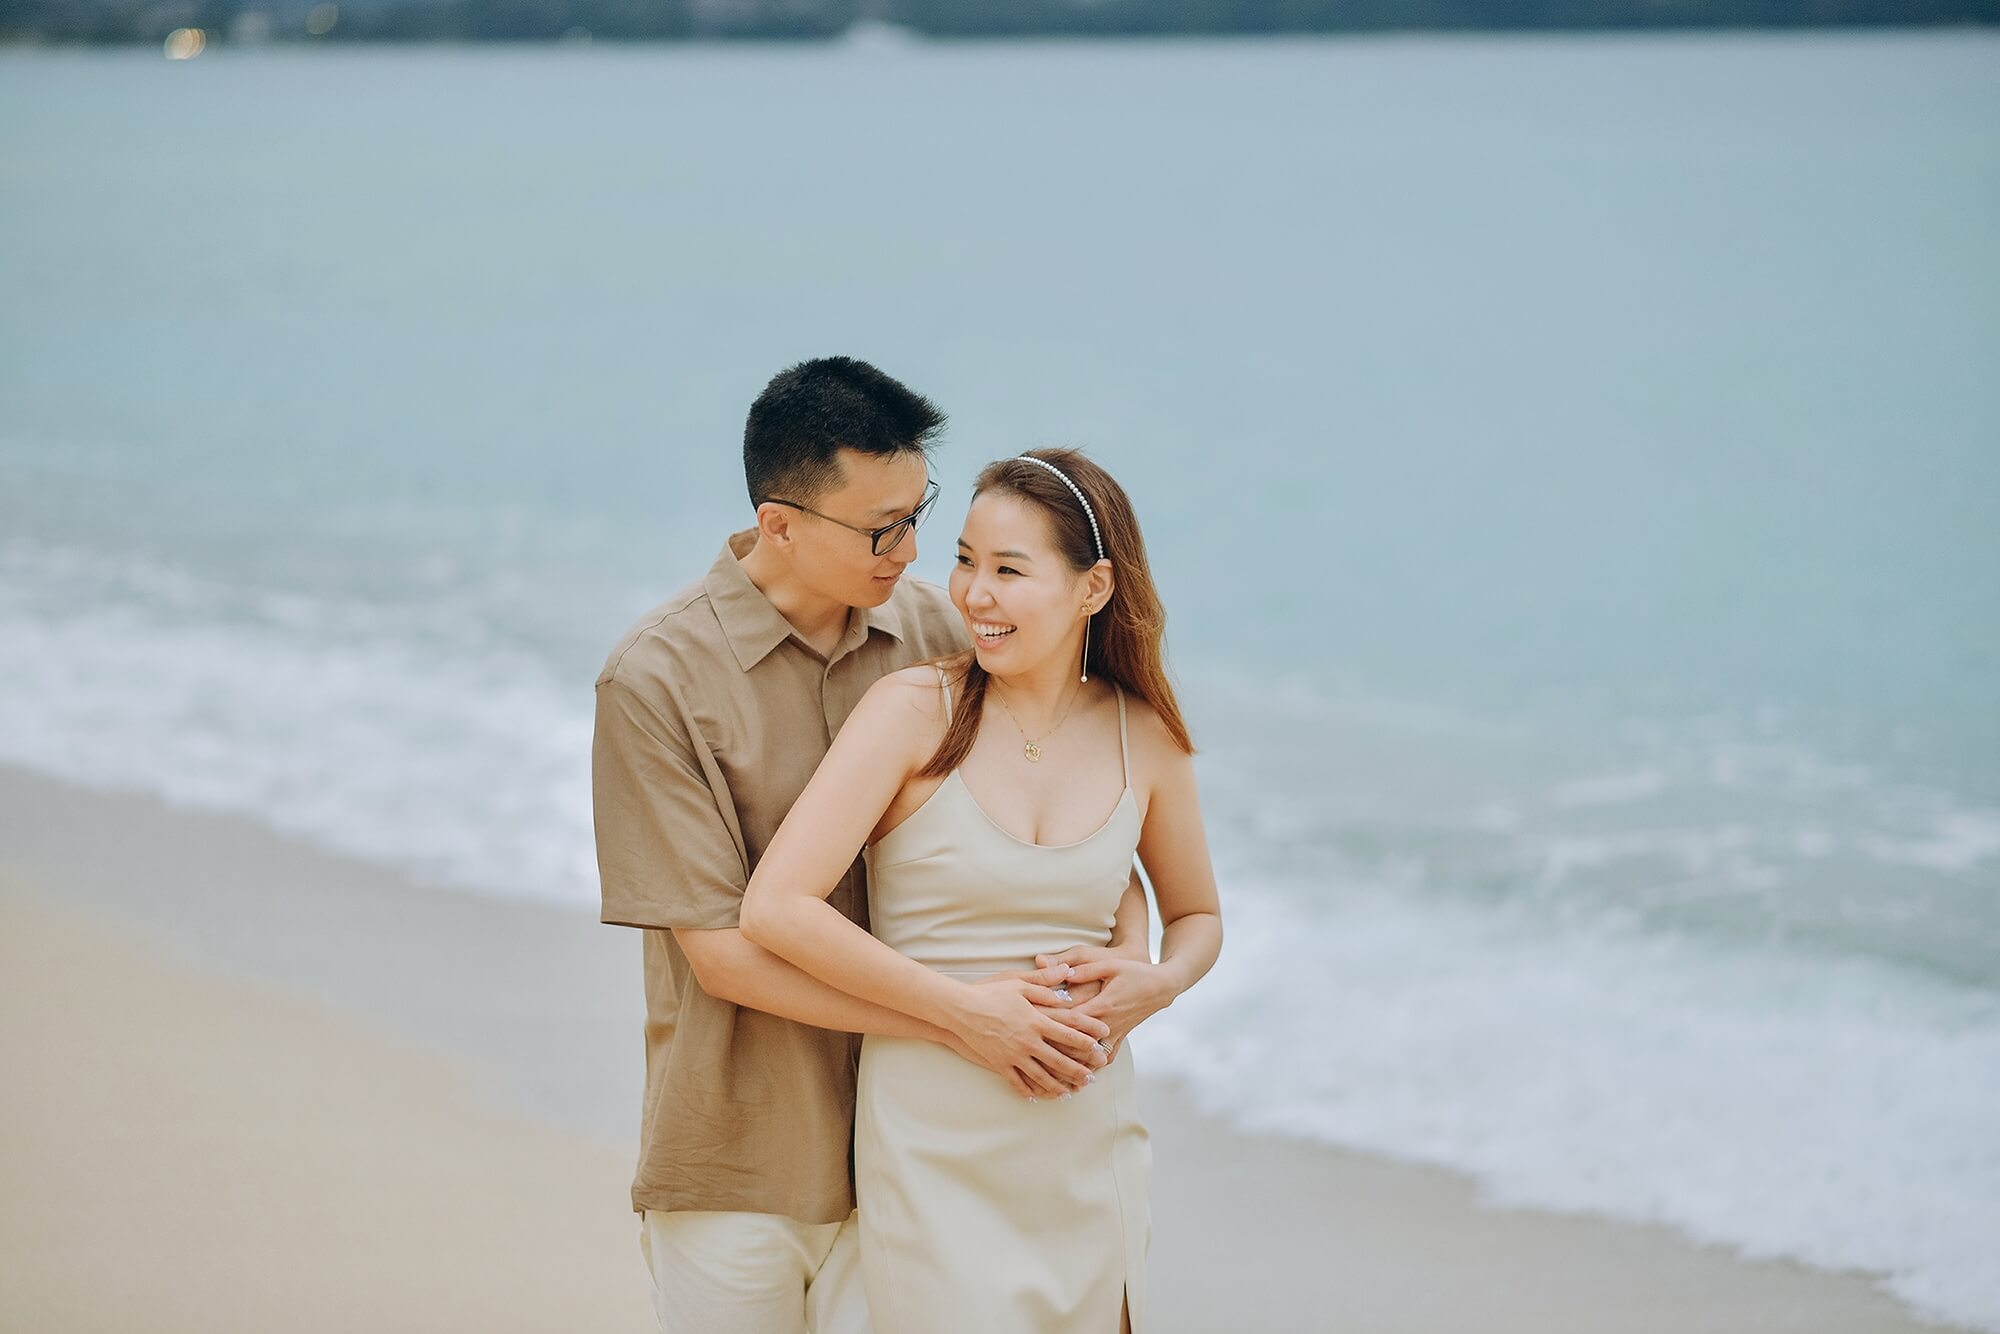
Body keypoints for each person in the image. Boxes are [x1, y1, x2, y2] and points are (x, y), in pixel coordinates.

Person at [592, 360, 1168, 1334]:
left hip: (916, 1158)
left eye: (918, 514)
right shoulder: (654, 681)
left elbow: (1079, 804)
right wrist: (959, 1020)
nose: (910, 548)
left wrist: (1128, 949)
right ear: (780, 523)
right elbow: (727, 954)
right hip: (743, 1157)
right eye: (879, 528)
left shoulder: (940, 632)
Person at [741, 448, 1224, 1334]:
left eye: (1009, 570)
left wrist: (1156, 981)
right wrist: (966, 1013)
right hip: (934, 1143)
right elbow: (777, 908)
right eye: (965, 561)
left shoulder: (1145, 736)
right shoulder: (911, 710)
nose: (973, 594)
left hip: (1086, 1138)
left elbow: (1197, 915)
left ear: (1093, 587)